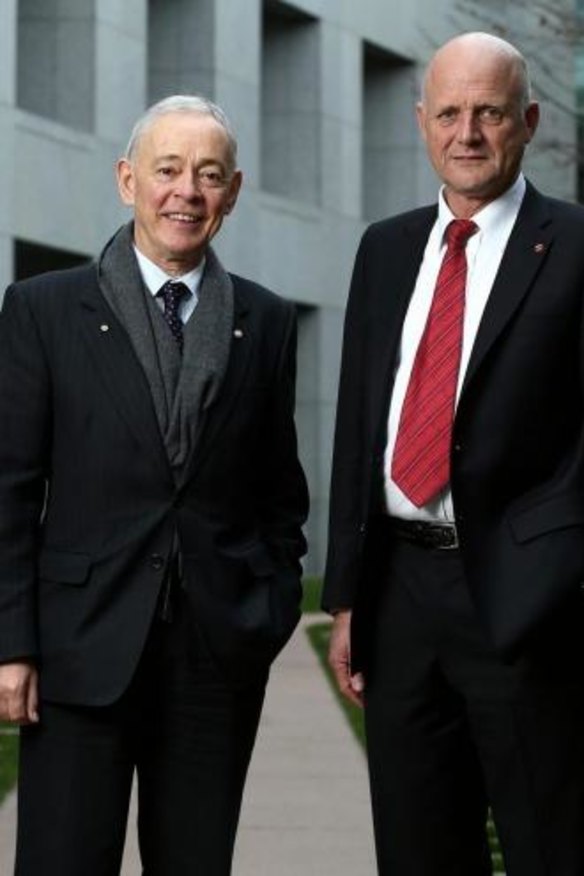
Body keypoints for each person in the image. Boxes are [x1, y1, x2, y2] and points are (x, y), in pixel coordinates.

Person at [0, 94, 308, 876]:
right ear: (126, 180)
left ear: (233, 193)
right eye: (168, 170)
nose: (187, 192)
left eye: (209, 175)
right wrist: (13, 647)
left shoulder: (266, 322)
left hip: (214, 655)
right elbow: (9, 488)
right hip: (78, 649)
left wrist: (266, 610)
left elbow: (279, 492)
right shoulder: (43, 310)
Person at [324, 31, 584, 876]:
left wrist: (555, 572)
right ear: (421, 123)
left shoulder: (576, 245)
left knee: (549, 843)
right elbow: (361, 423)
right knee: (417, 848)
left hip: (524, 602)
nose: (467, 132)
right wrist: (347, 597)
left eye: (489, 113)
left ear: (529, 121)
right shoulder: (386, 248)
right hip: (401, 600)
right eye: (449, 113)